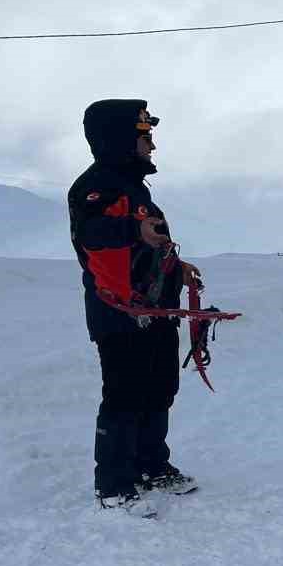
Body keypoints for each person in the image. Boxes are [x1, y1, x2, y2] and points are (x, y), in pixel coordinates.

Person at [67, 99, 201, 516]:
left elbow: (145, 249)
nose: (152, 146)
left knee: (159, 388)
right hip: (119, 313)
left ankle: (151, 467)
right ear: (121, 138)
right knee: (124, 396)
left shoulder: (134, 188)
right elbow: (91, 233)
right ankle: (113, 485)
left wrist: (177, 269)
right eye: (145, 136)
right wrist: (134, 229)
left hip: (156, 311)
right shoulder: (95, 185)